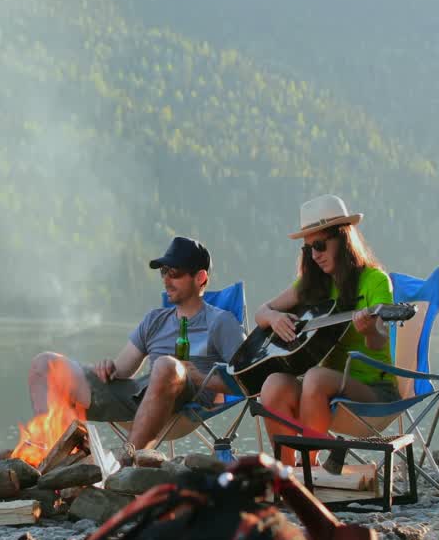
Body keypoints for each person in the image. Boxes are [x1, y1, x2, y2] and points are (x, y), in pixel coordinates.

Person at [29, 237, 246, 462]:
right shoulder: (154, 320)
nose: (166, 280)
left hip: (184, 407)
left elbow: (247, 381)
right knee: (45, 364)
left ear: (200, 278)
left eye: (175, 273)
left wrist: (200, 378)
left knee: (165, 365)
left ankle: (125, 464)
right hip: (139, 396)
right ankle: (54, 459)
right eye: (164, 272)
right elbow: (122, 370)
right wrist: (109, 368)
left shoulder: (221, 322)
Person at [252, 195, 400, 443]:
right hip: (322, 391)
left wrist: (369, 331)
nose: (314, 255)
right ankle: (288, 472)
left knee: (315, 377)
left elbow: (379, 342)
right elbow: (261, 312)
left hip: (375, 392)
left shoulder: (375, 280)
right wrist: (274, 318)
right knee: (273, 384)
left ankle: (309, 465)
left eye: (319, 245)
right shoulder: (312, 284)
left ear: (343, 240)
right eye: (308, 248)